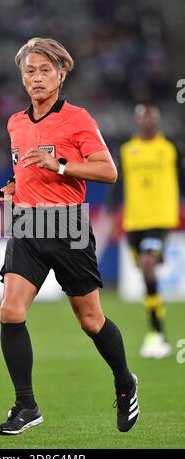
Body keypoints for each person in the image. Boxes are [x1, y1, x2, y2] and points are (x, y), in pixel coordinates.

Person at [0, 37, 139, 436]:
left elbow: (108, 171)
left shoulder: (77, 119)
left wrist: (59, 166)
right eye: (30, 71)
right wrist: (12, 185)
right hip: (26, 226)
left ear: (61, 74)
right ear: (22, 78)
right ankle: (26, 406)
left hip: (68, 227)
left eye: (45, 70)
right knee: (11, 311)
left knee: (91, 320)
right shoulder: (16, 122)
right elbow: (26, 170)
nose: (37, 77)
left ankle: (125, 381)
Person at [107, 103, 183, 359]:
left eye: (152, 116)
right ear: (138, 120)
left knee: (148, 265)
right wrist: (111, 213)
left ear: (158, 120)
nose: (148, 121)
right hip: (134, 222)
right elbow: (117, 185)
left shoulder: (170, 148)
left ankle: (156, 333)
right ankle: (156, 324)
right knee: (145, 272)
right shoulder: (128, 151)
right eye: (144, 117)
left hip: (161, 219)